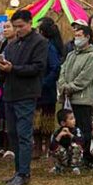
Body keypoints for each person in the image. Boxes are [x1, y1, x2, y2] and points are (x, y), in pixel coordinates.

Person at [0, 9, 49, 185]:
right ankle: (17, 170)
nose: (18, 29)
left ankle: (24, 172)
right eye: (15, 26)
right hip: (10, 94)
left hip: (26, 94)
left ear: (30, 23)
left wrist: (13, 69)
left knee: (24, 134)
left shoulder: (40, 42)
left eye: (21, 26)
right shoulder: (12, 44)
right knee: (12, 133)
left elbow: (37, 68)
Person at [58, 22, 93, 162]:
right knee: (70, 129)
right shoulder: (71, 54)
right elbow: (63, 70)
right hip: (68, 98)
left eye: (79, 36)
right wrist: (63, 85)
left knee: (83, 128)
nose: (76, 38)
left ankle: (85, 156)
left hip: (83, 98)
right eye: (75, 36)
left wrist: (70, 87)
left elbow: (85, 77)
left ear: (87, 37)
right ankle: (70, 155)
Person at [34, 19, 63, 158]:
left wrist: (45, 82)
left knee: (46, 120)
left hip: (46, 90)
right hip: (36, 89)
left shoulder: (49, 47)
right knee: (36, 120)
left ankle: (45, 148)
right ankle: (37, 147)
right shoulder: (39, 46)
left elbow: (55, 67)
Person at [50, 108, 83, 174]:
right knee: (56, 149)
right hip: (63, 155)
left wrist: (70, 135)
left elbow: (81, 141)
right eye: (71, 119)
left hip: (72, 155)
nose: (74, 120)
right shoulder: (57, 132)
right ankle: (59, 167)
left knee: (76, 146)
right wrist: (59, 136)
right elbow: (51, 147)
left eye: (74, 118)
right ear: (63, 123)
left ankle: (75, 167)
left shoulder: (77, 130)